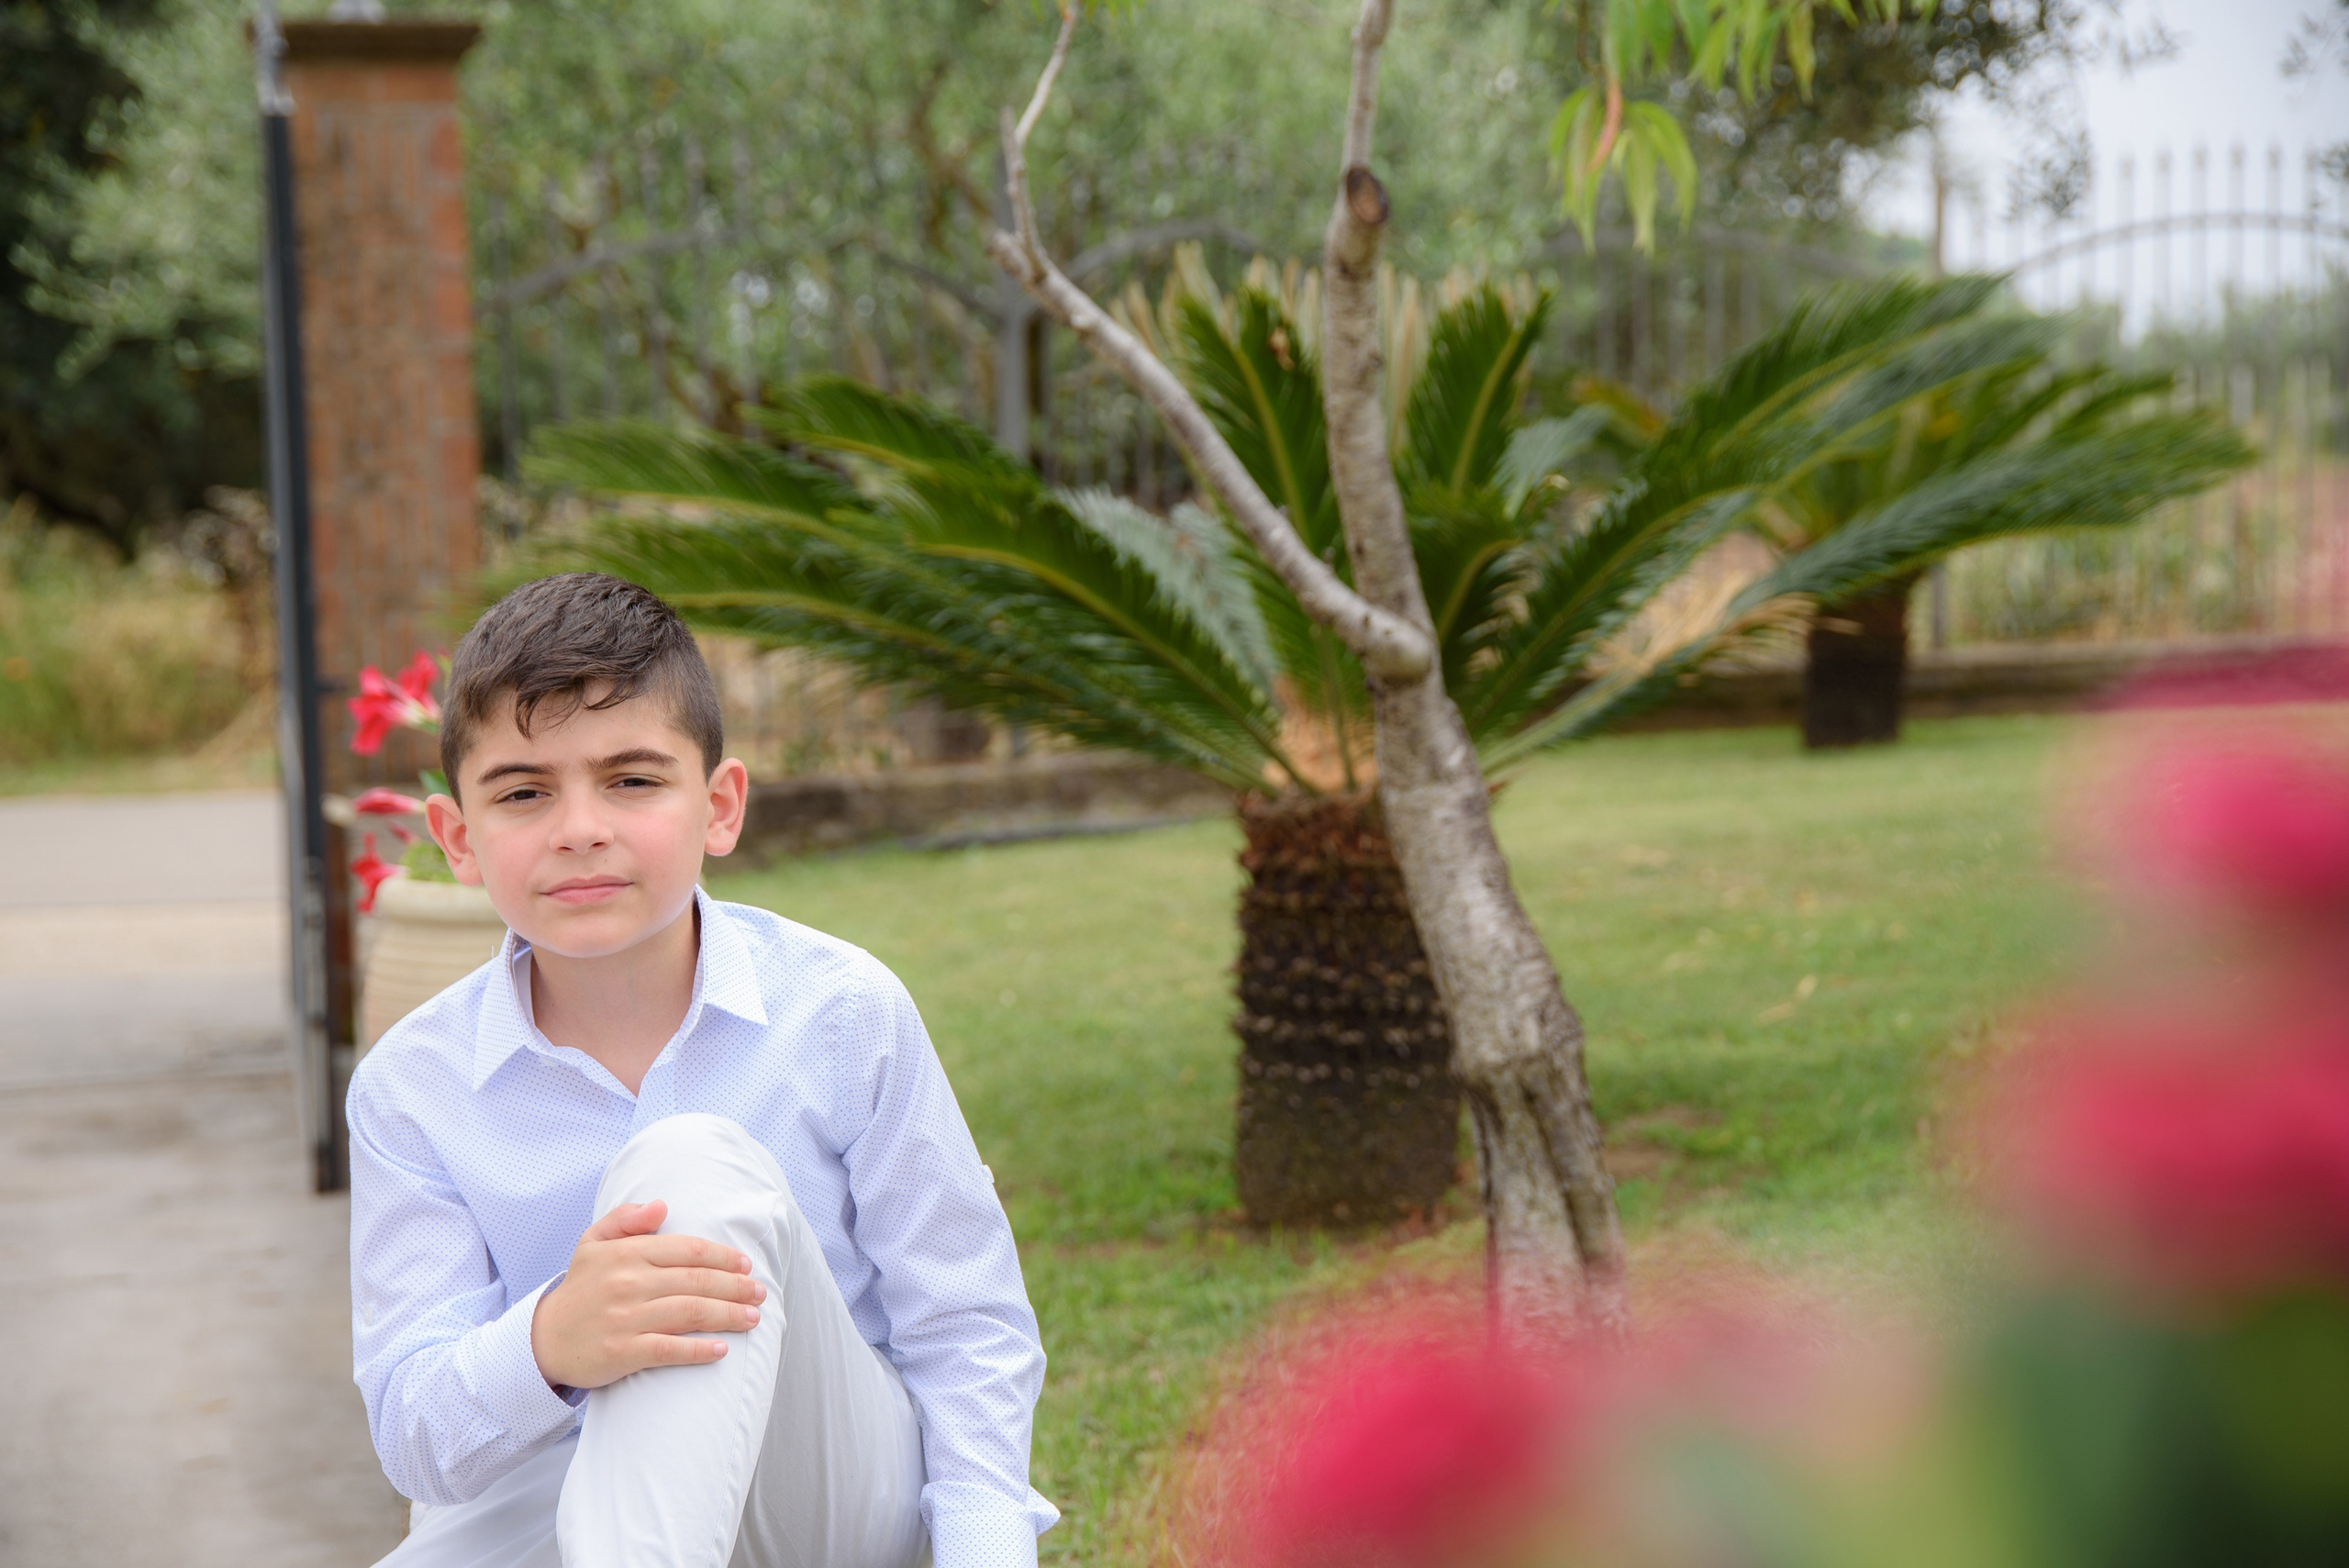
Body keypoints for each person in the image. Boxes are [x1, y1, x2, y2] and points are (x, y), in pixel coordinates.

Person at [348, 573, 1053, 1568]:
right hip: (561, 1501)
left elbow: (966, 1323)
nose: (579, 827)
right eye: (523, 792)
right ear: (459, 839)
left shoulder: (840, 1012)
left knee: (692, 1167)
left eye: (632, 781)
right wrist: (552, 1338)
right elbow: (414, 1433)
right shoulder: (411, 1087)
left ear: (719, 807)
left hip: (826, 1506)